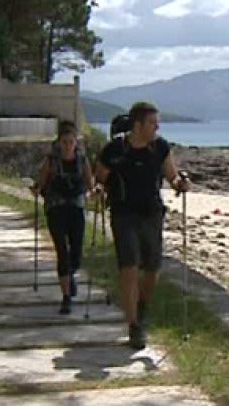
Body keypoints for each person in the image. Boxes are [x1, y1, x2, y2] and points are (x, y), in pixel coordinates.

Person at [94, 101, 191, 349]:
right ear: (137, 125)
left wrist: (180, 184)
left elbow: (171, 175)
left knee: (152, 271)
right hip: (123, 213)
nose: (157, 126)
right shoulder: (114, 149)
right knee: (128, 268)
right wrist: (98, 189)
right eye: (152, 122)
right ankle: (134, 326)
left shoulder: (159, 147)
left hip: (152, 214)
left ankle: (142, 307)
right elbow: (100, 177)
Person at [32, 120, 94, 314]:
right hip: (56, 210)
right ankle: (66, 297)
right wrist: (36, 189)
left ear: (76, 142)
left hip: (76, 210)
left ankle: (70, 276)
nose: (68, 145)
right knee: (62, 252)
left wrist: (95, 192)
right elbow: (41, 181)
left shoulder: (82, 160)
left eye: (71, 141)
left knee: (76, 253)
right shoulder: (51, 161)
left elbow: (89, 183)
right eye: (65, 142)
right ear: (59, 142)